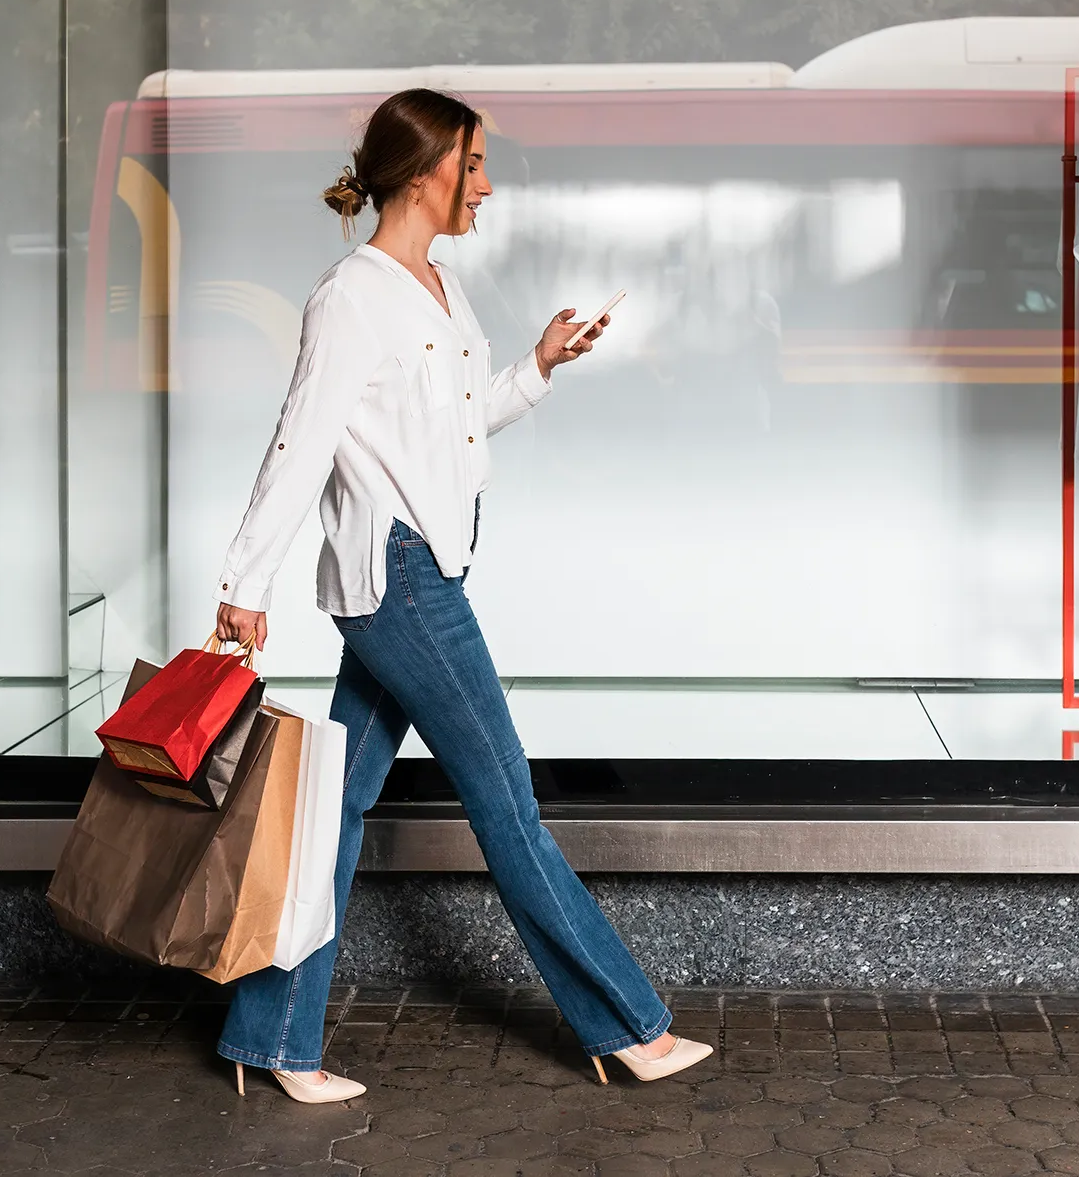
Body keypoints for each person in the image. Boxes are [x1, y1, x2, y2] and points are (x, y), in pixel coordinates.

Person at [211, 88, 712, 1105]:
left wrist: (535, 363)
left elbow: (460, 429)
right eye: (474, 165)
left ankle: (268, 1037)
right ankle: (626, 1026)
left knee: (337, 808)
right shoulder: (349, 297)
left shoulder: (437, 286)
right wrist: (243, 584)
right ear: (427, 168)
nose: (485, 186)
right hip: (399, 580)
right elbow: (298, 444)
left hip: (420, 569)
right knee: (509, 808)